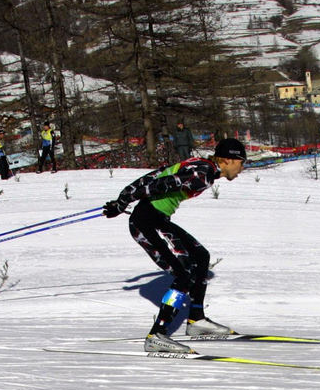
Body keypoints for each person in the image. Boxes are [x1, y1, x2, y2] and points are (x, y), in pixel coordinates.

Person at [101, 137, 247, 352]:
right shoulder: (203, 174)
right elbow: (159, 183)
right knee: (183, 276)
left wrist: (122, 199)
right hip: (147, 222)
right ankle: (157, 336)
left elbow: (156, 175)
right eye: (241, 162)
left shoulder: (200, 166)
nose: (242, 168)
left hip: (156, 219)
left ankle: (196, 320)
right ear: (227, 160)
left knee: (200, 257)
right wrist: (123, 202)